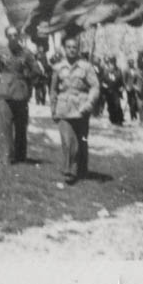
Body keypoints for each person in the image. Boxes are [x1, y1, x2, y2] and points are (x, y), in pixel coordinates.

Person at [0, 25, 41, 163]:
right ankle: (7, 155)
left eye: (16, 35)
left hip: (20, 91)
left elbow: (37, 71)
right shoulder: (0, 51)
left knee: (21, 125)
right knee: (5, 125)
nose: (13, 38)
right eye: (10, 35)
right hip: (4, 91)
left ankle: (21, 155)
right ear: (6, 37)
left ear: (19, 36)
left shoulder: (26, 52)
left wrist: (27, 77)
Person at [50, 35, 100, 183]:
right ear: (64, 49)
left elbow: (95, 87)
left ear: (78, 50)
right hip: (64, 108)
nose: (72, 50)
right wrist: (53, 109)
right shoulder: (58, 68)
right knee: (68, 140)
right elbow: (53, 89)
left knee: (81, 140)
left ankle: (82, 169)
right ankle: (69, 171)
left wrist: (90, 104)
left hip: (81, 109)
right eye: (69, 47)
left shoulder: (86, 67)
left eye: (74, 48)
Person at [102, 57, 126, 126]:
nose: (112, 65)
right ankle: (113, 120)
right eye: (111, 63)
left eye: (113, 63)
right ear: (109, 64)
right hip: (108, 92)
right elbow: (102, 81)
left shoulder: (118, 71)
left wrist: (122, 87)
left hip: (116, 91)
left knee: (117, 105)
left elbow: (121, 81)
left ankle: (120, 120)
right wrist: (104, 85)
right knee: (110, 106)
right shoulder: (106, 71)